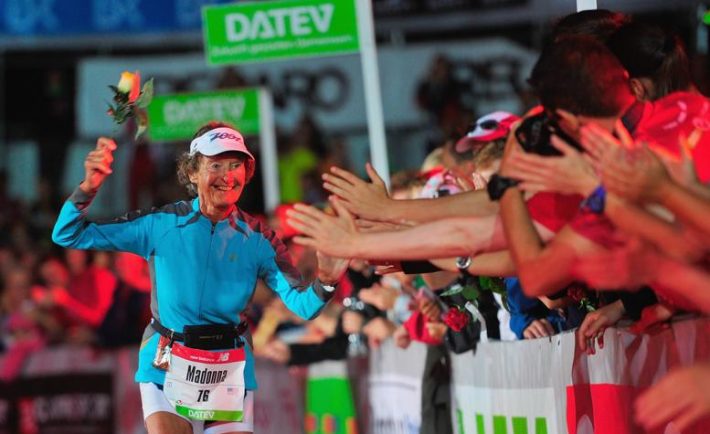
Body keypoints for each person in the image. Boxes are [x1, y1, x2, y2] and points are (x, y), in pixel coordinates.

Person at [52, 121, 348, 434]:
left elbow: (303, 306)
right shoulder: (160, 224)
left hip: (228, 364)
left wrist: (327, 280)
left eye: (235, 165)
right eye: (215, 165)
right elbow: (67, 233)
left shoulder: (260, 239)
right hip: (166, 361)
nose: (227, 176)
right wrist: (88, 188)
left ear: (247, 173)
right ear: (192, 172)